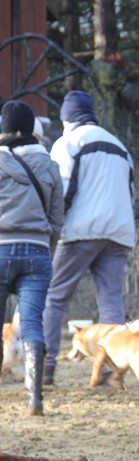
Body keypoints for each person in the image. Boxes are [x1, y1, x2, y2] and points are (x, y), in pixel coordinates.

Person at [42, 90, 134, 385]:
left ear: (66, 118)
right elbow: (131, 193)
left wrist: (55, 226)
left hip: (82, 230)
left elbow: (61, 189)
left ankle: (45, 366)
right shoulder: (120, 146)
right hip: (119, 231)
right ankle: (113, 370)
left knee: (53, 297)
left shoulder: (68, 142)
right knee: (111, 303)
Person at [0, 100, 63, 415]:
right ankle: (34, 398)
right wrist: (45, 249)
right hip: (37, 250)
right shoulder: (50, 164)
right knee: (33, 324)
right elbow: (57, 219)